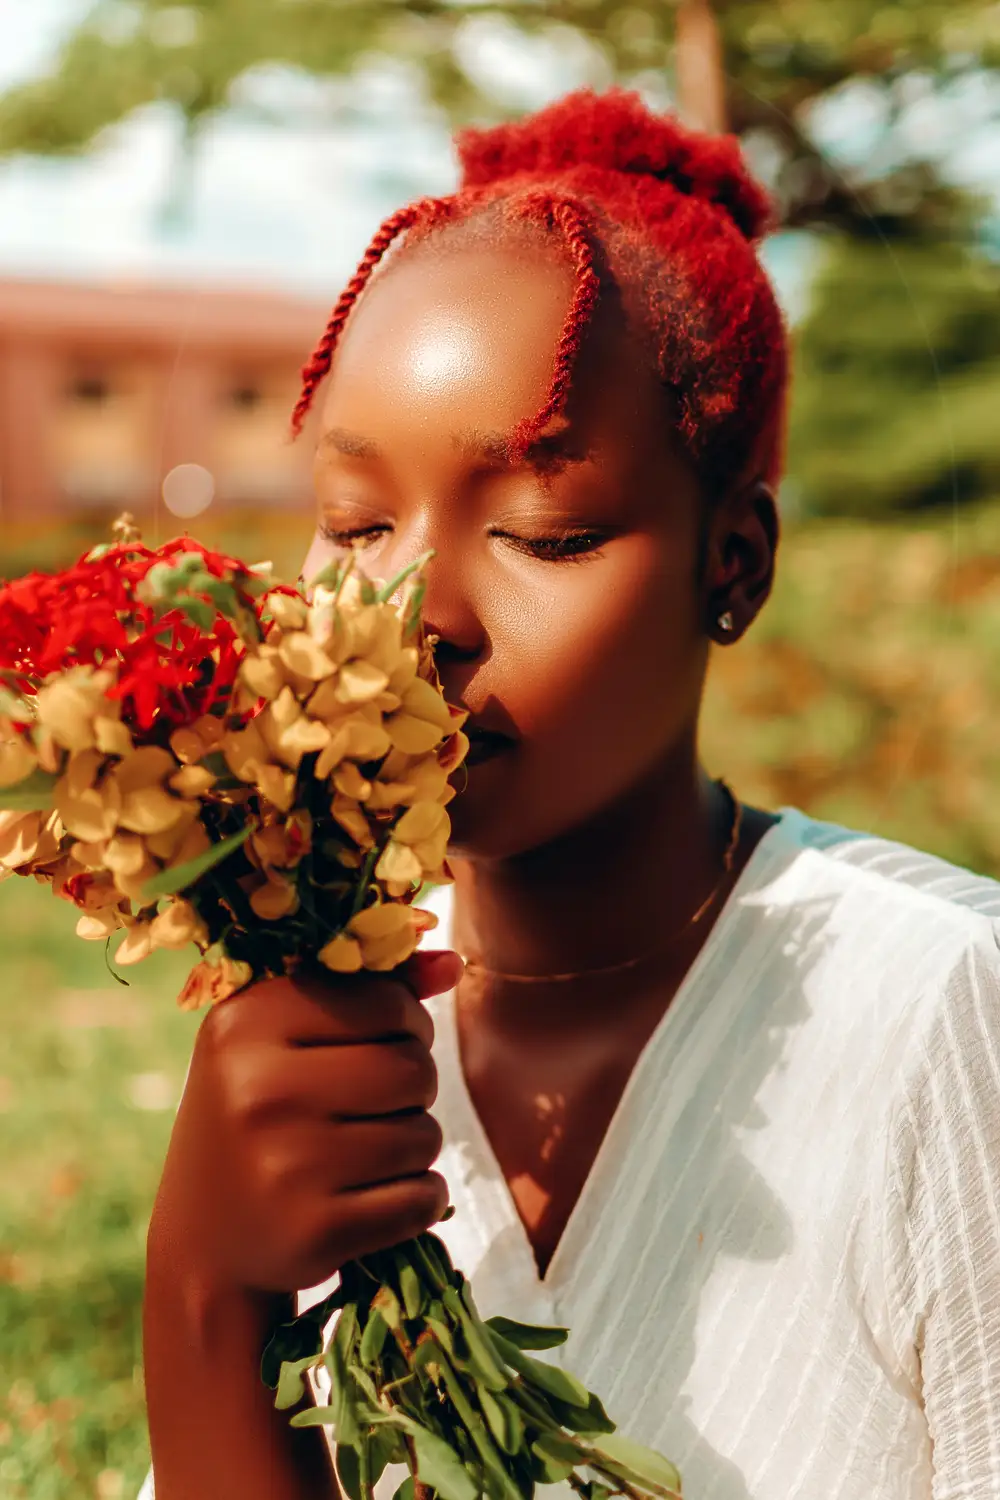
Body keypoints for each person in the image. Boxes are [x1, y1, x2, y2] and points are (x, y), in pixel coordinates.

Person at [140, 89, 1000, 1500]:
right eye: (356, 525)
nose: (414, 615)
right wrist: (202, 1310)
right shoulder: (313, 1014)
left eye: (545, 533)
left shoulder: (944, 1011)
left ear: (734, 566)